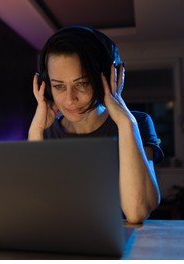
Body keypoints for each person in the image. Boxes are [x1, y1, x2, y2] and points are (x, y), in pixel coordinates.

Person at [28, 26, 164, 224]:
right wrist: (35, 131)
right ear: (47, 87)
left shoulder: (137, 123)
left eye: (81, 84)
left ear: (109, 79)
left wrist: (126, 124)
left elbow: (137, 211)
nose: (69, 100)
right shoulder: (43, 134)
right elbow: (33, 211)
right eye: (58, 86)